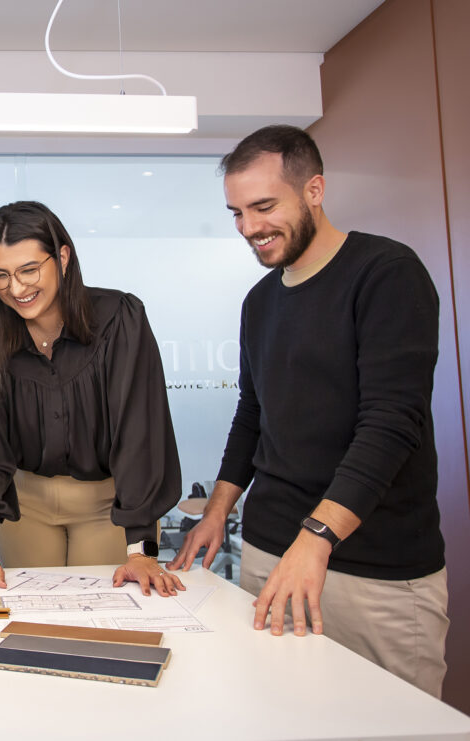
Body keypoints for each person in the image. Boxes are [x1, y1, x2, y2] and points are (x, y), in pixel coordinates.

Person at [169, 125, 448, 697]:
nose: (249, 228)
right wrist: (219, 510)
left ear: (314, 190)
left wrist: (315, 538)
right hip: (272, 553)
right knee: (285, 716)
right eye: (237, 213)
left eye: (264, 207)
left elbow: (392, 422)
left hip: (374, 569)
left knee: (395, 726)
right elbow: (253, 414)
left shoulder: (386, 274)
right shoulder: (260, 301)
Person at [0, 201, 184, 597]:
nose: (16, 289)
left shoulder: (119, 321)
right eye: (0, 276)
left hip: (109, 506)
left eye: (29, 270)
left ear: (63, 257)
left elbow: (137, 432)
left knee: (104, 620)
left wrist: (141, 549)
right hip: (27, 507)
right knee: (34, 622)